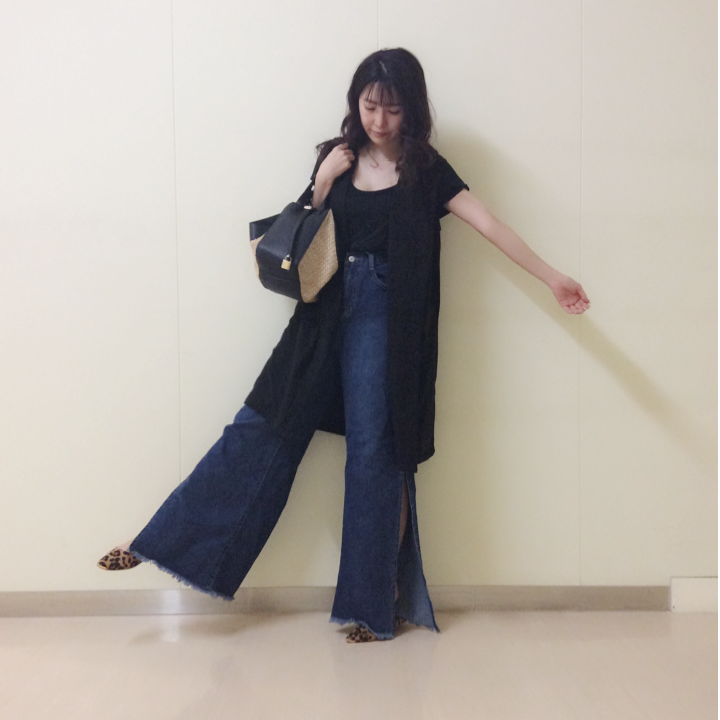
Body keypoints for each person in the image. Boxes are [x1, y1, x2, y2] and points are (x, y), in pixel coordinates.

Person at [98, 48, 590, 643]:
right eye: (369, 106)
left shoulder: (426, 169)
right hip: (324, 312)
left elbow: (488, 223)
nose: (379, 120)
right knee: (263, 424)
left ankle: (371, 608)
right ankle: (159, 542)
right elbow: (298, 234)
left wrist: (552, 277)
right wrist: (324, 180)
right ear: (356, 103)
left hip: (387, 315)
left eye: (392, 108)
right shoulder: (336, 157)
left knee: (374, 453)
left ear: (412, 109)